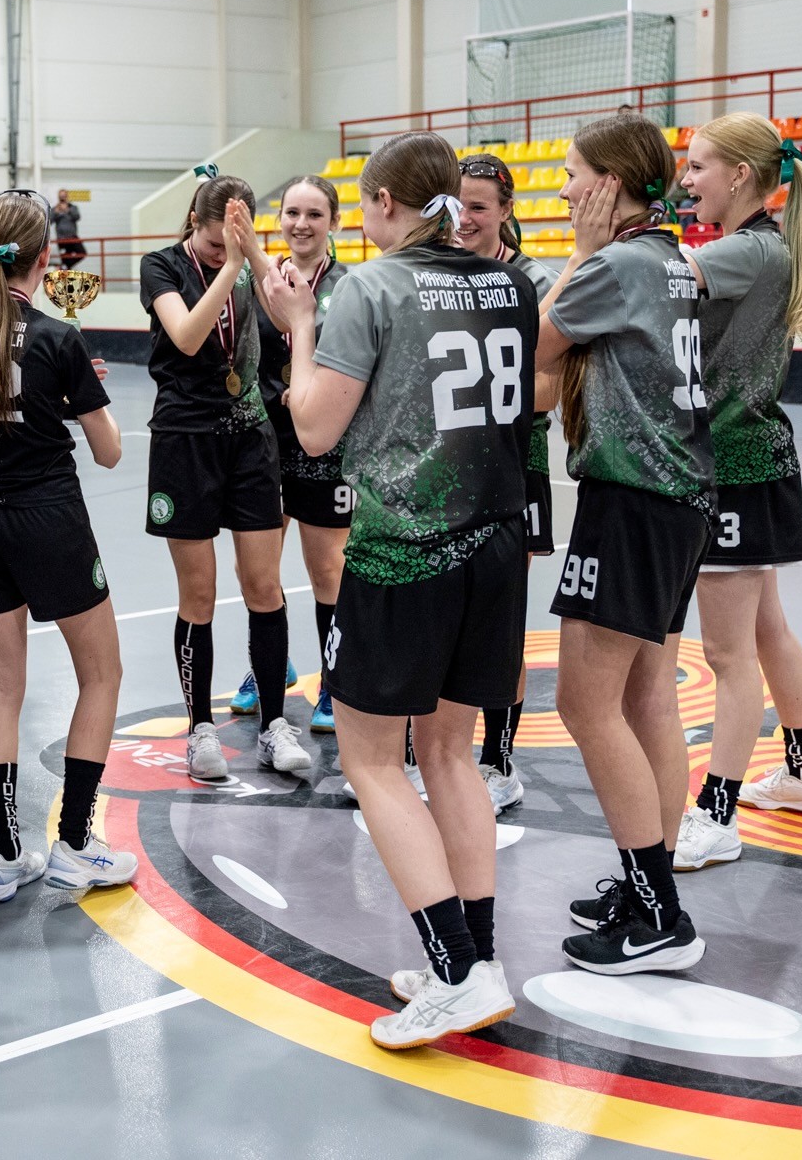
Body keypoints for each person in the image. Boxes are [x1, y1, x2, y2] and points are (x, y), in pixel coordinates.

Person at [271, 129, 531, 1048]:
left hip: (407, 549)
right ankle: (479, 960)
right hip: (497, 543)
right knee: (452, 753)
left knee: (374, 760)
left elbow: (313, 429)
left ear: (382, 201)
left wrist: (300, 325)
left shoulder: (372, 288)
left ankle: (457, 971)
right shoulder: (508, 281)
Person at [535, 111, 711, 975]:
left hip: (633, 499)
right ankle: (650, 889)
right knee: (648, 702)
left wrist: (579, 251)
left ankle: (659, 915)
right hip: (680, 497)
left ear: (608, 184)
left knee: (585, 704)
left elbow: (530, 345)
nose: (566, 189)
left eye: (574, 175)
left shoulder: (614, 264)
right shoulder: (673, 257)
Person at [0, 191, 139, 901]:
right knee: (101, 675)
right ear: (45, 258)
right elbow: (109, 452)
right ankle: (74, 842)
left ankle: (3, 853)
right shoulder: (55, 337)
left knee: (2, 686)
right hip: (48, 520)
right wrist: (80, 401)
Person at [672, 112, 802, 871]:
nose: (686, 180)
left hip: (736, 465)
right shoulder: (760, 245)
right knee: (767, 630)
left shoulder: (744, 250)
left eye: (698, 166)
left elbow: (657, 279)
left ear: (740, 175)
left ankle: (717, 814)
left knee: (727, 652)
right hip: (754, 458)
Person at [138, 167, 302, 784]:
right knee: (199, 595)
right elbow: (185, 336)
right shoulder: (162, 266)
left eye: (229, 242)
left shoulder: (254, 263)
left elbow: (290, 321)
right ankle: (200, 728)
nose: (218, 252)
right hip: (185, 439)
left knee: (264, 585)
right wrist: (231, 266)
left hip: (250, 439)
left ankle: (274, 725)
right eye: (212, 243)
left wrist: (253, 256)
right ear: (194, 225)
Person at [456, 154, 559, 813]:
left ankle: (498, 761)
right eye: (456, 205)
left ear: (506, 210)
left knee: (500, 616)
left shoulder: (535, 280)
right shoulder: (436, 273)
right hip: (447, 465)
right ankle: (426, 751)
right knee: (444, 610)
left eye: (479, 207)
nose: (465, 219)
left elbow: (552, 386)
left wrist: (481, 392)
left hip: (516, 463)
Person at [234, 174, 349, 734]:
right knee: (257, 568)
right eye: (292, 213)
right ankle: (271, 665)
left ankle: (335, 679)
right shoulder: (252, 280)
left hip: (322, 438)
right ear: (278, 219)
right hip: (263, 439)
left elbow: (341, 354)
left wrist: (310, 390)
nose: (301, 224)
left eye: (314, 214)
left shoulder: (349, 286)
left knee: (327, 568)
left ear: (335, 223)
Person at [52, 190, 85, 268]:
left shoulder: (73, 207)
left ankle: (65, 266)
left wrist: (67, 210)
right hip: (61, 239)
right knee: (65, 257)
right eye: (61, 196)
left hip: (72, 237)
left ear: (67, 197)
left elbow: (77, 217)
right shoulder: (55, 209)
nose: (62, 198)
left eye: (64, 196)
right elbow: (49, 221)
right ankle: (65, 268)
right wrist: (55, 212)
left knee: (82, 253)